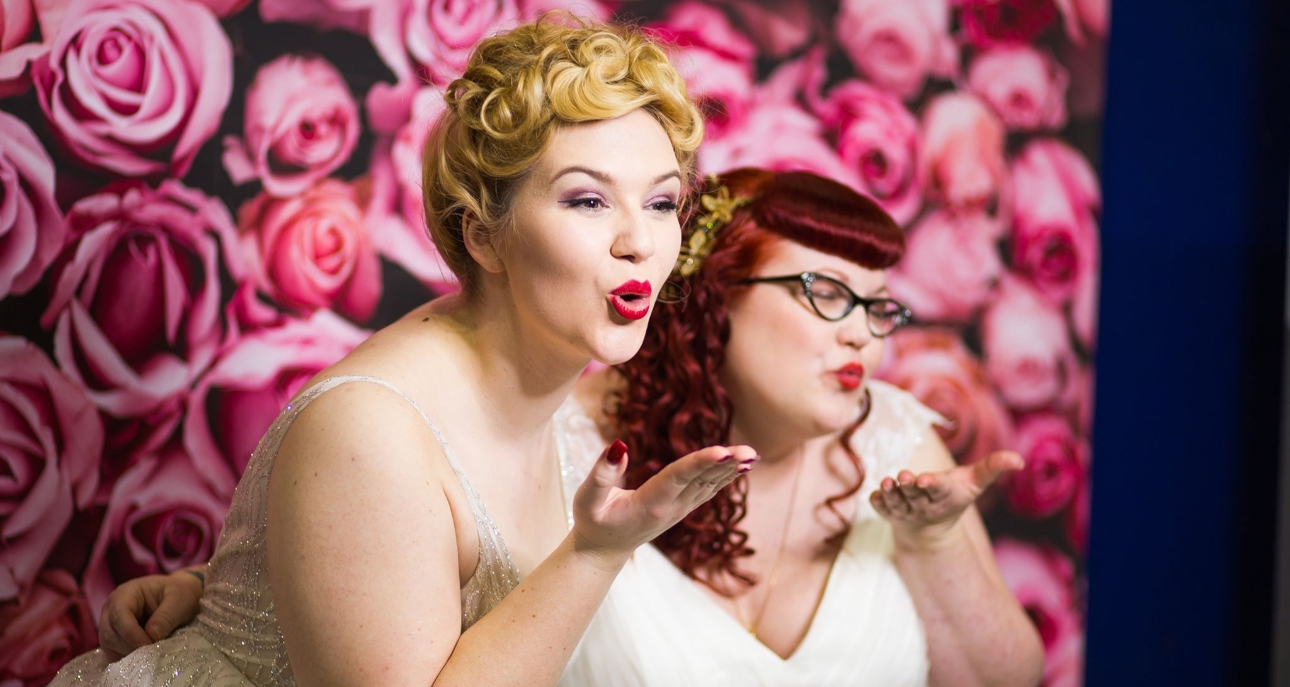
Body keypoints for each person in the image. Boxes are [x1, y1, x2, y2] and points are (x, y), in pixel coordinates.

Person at [92, 169, 1045, 686]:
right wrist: (218, 591)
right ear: (712, 297)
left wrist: (931, 542)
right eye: (826, 291)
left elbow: (1007, 680)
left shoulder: (897, 437)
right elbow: (401, 550)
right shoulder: (567, 435)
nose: (861, 334)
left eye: (880, 308)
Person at [51, 17, 758, 687]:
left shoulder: (564, 389)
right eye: (587, 201)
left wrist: (212, 583)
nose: (639, 241)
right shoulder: (370, 432)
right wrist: (594, 553)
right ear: (483, 236)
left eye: (663, 202)